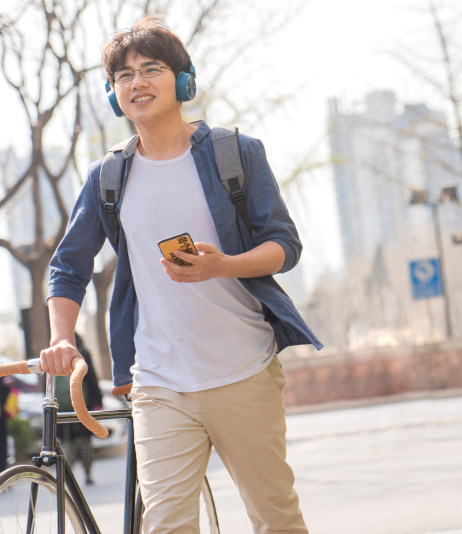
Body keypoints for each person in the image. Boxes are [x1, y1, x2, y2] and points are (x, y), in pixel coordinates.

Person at [41, 15, 321, 533]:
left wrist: (226, 265)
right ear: (113, 94)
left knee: (275, 518)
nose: (138, 83)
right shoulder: (110, 175)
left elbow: (285, 245)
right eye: (124, 77)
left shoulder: (234, 153)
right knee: (165, 525)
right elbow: (68, 265)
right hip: (159, 383)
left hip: (244, 371)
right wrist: (62, 339)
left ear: (183, 81)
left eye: (152, 70)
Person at [55, 333, 103, 485]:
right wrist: (97, 401)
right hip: (83, 404)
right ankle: (87, 474)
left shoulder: (54, 354)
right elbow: (92, 378)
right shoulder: (83, 353)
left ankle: (68, 477)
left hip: (62, 408)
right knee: (85, 441)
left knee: (67, 442)